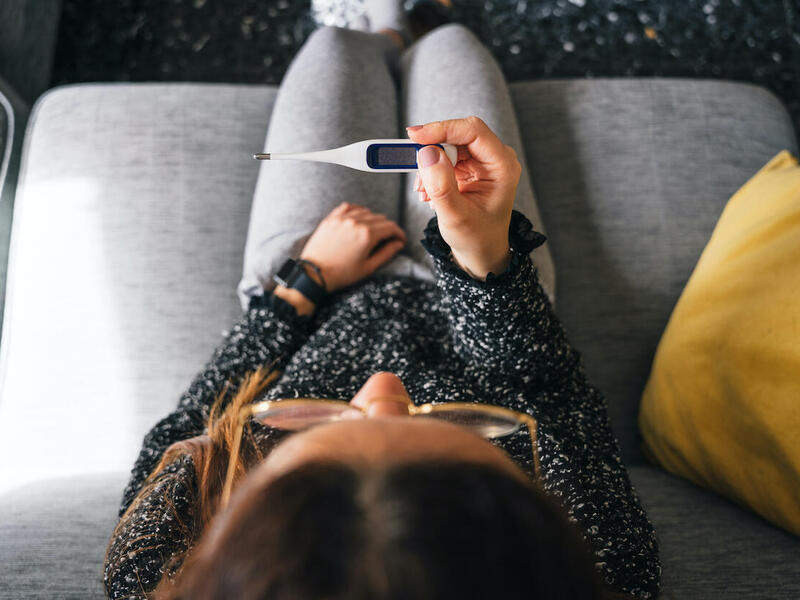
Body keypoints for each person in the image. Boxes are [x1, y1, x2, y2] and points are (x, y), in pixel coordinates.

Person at [104, 1, 660, 598]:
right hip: (488, 293)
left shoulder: (151, 574)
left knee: (334, 50)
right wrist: (485, 257)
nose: (383, 386)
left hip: (314, 286)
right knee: (453, 46)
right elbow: (552, 394)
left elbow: (196, 423)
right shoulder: (606, 570)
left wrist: (305, 280)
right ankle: (418, 28)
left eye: (331, 426)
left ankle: (383, 31)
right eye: (452, 432)